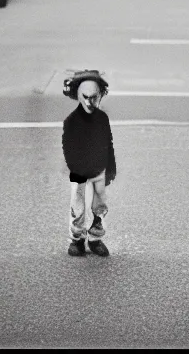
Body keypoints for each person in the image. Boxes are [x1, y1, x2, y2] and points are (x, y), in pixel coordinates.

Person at [62, 69, 116, 257]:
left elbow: (108, 143)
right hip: (79, 169)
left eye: (93, 97)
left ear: (100, 95)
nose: (88, 102)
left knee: (99, 205)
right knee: (77, 205)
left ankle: (95, 238)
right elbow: (67, 146)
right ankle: (77, 239)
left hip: (99, 168)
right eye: (84, 97)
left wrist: (111, 167)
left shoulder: (102, 119)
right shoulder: (72, 121)